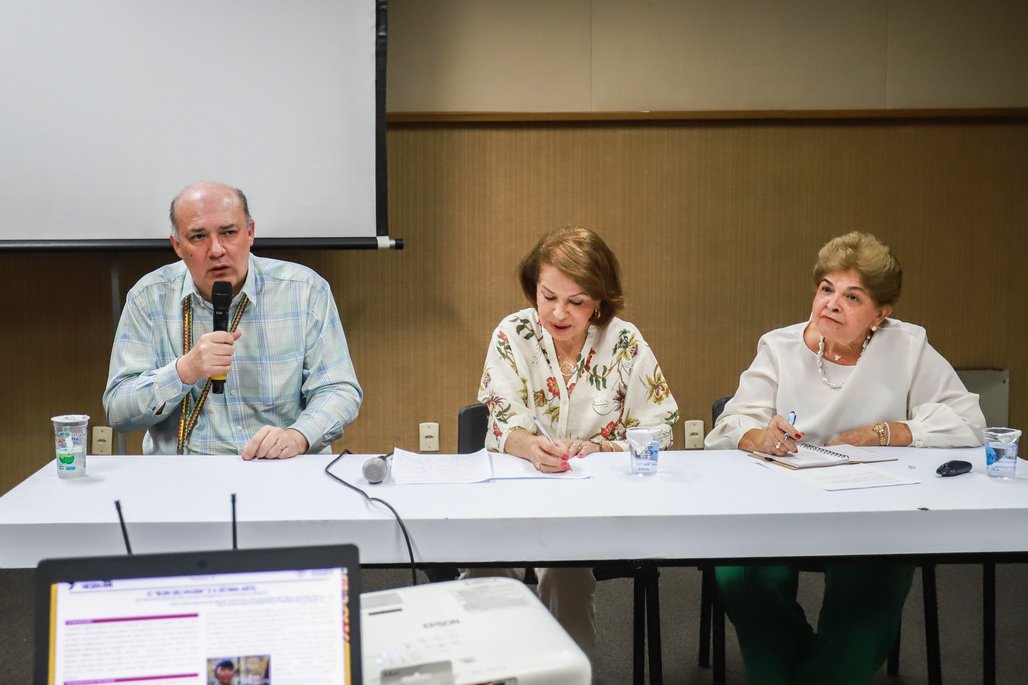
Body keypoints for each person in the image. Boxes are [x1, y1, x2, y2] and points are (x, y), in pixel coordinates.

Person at [705, 231, 985, 685]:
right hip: (781, 504)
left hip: (872, 507)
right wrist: (760, 435)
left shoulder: (907, 346)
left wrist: (887, 433)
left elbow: (969, 420)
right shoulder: (779, 347)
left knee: (874, 582)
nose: (832, 304)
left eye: (852, 296)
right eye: (826, 289)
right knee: (739, 575)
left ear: (881, 314)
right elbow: (729, 426)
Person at [470, 226, 680, 654]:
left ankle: (564, 673)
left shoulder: (624, 342)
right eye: (548, 297)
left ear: (599, 302)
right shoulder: (513, 335)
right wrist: (531, 447)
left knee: (567, 570)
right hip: (516, 487)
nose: (558, 313)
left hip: (593, 497)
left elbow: (660, 429)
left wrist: (602, 449)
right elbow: (503, 422)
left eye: (576, 301)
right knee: (482, 564)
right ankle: (493, 670)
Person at [103, 181, 362, 458]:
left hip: (281, 467)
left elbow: (339, 390)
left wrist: (298, 436)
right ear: (177, 245)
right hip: (185, 475)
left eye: (228, 233)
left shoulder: (304, 290)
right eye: (199, 237)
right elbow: (118, 410)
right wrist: (184, 370)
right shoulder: (149, 297)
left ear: (250, 233)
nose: (216, 250)